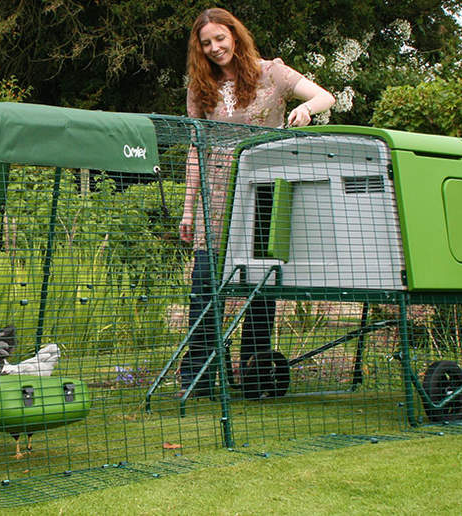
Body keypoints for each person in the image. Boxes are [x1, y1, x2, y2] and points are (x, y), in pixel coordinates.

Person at [177, 7, 335, 398]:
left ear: (235, 35)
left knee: (261, 283)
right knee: (205, 283)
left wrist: (305, 109)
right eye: (206, 43)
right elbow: (195, 150)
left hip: (267, 187)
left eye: (220, 38)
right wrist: (187, 208)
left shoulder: (272, 73)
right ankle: (198, 380)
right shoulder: (200, 88)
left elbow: (324, 96)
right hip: (216, 193)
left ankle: (255, 376)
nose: (215, 48)